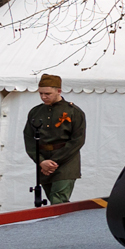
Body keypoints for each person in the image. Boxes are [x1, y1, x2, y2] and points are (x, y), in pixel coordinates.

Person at [24, 74, 84, 205]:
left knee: (58, 199)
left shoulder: (73, 111)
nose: (43, 97)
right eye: (41, 93)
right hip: (44, 162)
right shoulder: (35, 112)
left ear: (59, 91)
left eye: (47, 94)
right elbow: (29, 138)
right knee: (53, 201)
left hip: (66, 161)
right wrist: (41, 161)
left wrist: (54, 161)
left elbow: (78, 140)